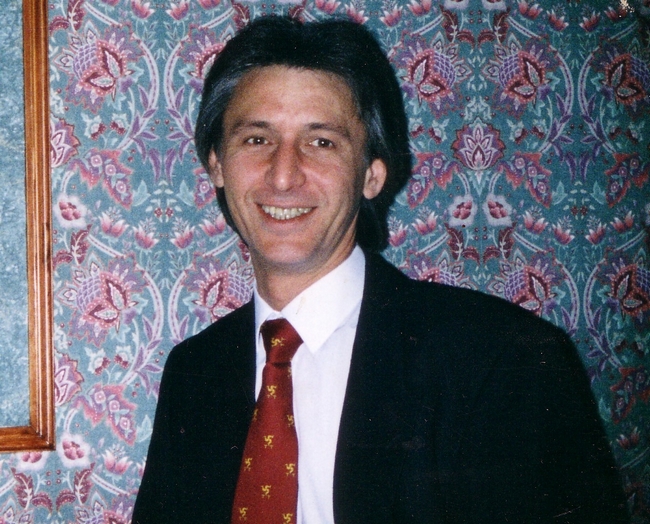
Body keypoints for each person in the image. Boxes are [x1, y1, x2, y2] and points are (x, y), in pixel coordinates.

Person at [132, 16, 628, 524]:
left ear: (372, 175)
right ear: (216, 164)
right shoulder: (194, 374)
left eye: (321, 142)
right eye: (257, 139)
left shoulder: (505, 361)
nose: (283, 175)